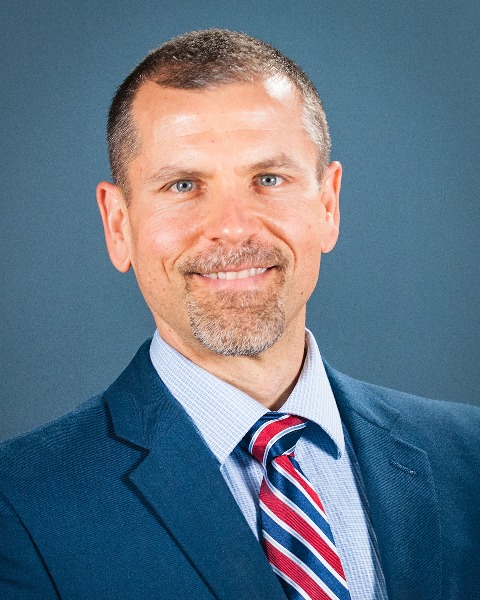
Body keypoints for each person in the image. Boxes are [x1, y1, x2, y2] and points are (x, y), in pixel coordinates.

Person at [0, 29, 478, 600]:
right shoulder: (19, 505)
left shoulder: (468, 458)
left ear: (328, 205)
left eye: (268, 179)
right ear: (119, 225)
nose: (232, 227)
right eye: (183, 185)